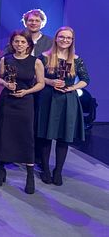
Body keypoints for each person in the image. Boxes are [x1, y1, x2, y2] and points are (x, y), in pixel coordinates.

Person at [0, 31, 45, 194]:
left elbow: (41, 83)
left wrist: (27, 92)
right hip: (7, 101)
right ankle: (1, 169)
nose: (19, 44)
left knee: (26, 136)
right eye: (16, 41)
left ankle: (29, 175)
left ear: (28, 44)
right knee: (4, 134)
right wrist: (5, 84)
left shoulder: (36, 62)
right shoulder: (5, 59)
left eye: (22, 42)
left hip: (25, 102)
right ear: (12, 43)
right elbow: (0, 78)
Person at [36, 27, 90, 186]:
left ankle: (58, 171)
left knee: (63, 137)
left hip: (68, 100)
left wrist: (72, 87)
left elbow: (86, 79)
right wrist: (50, 81)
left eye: (69, 38)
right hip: (48, 99)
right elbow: (36, 77)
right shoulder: (44, 57)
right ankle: (45, 169)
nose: (65, 40)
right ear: (56, 38)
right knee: (46, 135)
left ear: (72, 40)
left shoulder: (76, 59)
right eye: (62, 37)